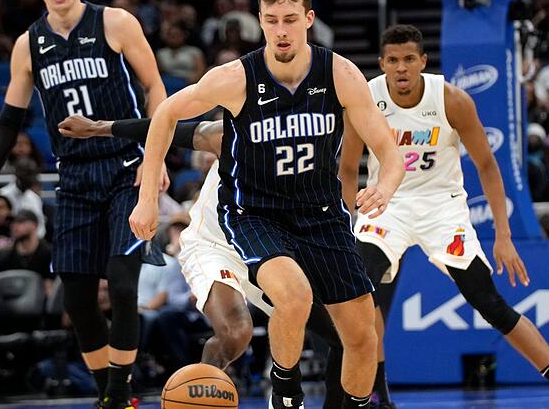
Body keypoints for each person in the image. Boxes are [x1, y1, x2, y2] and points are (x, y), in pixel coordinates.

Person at [128, 0, 404, 409]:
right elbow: (164, 116)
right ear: (260, 19)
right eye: (272, 20)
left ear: (308, 19)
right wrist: (146, 198)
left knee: (363, 334)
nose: (281, 30)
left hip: (320, 214)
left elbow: (389, 152)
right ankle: (285, 391)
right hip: (255, 214)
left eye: (290, 19)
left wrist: (385, 186)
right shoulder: (237, 78)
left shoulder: (340, 74)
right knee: (293, 296)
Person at [337, 25, 549, 408]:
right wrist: (349, 224)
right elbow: (346, 170)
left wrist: (504, 236)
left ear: (423, 62)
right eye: (393, 60)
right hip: (388, 204)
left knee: (489, 302)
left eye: (409, 59)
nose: (401, 68)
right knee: (361, 291)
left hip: (442, 205)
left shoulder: (451, 100)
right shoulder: (365, 98)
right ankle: (379, 396)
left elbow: (488, 166)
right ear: (381, 64)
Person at [0, 0, 168, 408]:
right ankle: (109, 393)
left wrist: (156, 162)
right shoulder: (28, 44)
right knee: (75, 301)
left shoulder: (115, 22)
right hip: (73, 177)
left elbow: (156, 88)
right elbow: (9, 121)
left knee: (123, 282)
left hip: (125, 169)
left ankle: (117, 395)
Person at [58, 112, 346, 408]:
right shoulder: (233, 135)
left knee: (343, 336)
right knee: (236, 331)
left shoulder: (315, 163)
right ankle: (200, 397)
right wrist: (98, 127)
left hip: (270, 251)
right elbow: (165, 126)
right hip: (215, 245)